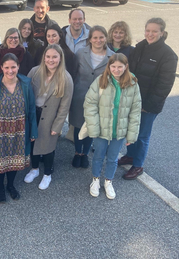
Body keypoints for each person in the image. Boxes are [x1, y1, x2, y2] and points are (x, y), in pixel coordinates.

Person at [119, 17, 178, 180]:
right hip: (132, 99)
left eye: (154, 31)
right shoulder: (140, 47)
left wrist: (149, 105)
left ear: (162, 33)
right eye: (148, 30)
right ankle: (130, 155)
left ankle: (138, 165)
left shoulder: (168, 55)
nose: (150, 34)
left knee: (142, 135)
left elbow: (164, 85)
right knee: (130, 131)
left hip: (148, 105)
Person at [84, 53, 141, 199]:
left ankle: (108, 181)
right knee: (98, 155)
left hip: (119, 129)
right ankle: (95, 180)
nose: (116, 70)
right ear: (109, 66)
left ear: (126, 66)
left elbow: (135, 110)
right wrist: (93, 127)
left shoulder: (133, 83)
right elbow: (90, 104)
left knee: (113, 158)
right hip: (101, 128)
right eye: (113, 66)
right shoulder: (101, 80)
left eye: (120, 67)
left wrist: (131, 134)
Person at [0, 53, 38, 203]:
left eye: (13, 67)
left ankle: (11, 185)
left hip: (20, 131)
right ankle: (0, 186)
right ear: (1, 68)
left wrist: (33, 131)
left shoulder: (25, 84)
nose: (10, 70)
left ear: (18, 66)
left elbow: (31, 109)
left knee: (15, 161)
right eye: (6, 67)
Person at [24, 44, 73, 190]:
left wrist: (57, 126)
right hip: (34, 114)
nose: (51, 60)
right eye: (48, 56)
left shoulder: (66, 79)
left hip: (51, 117)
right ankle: (34, 169)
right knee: (33, 143)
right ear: (44, 57)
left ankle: (47, 173)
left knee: (48, 146)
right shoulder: (34, 72)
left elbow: (65, 106)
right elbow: (25, 94)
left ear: (60, 58)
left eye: (54, 57)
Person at [69, 26, 114, 169]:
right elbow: (74, 74)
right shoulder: (81, 53)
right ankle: (77, 152)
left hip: (99, 99)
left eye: (101, 37)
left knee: (91, 125)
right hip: (80, 95)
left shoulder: (112, 57)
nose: (98, 40)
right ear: (90, 39)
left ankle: (85, 154)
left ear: (106, 38)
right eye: (95, 37)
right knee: (77, 125)